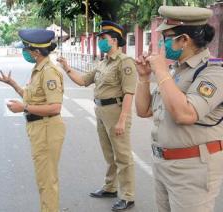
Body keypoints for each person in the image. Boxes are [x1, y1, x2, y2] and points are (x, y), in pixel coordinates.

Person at [135, 6, 223, 212]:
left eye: (166, 37)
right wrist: (144, 77)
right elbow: (144, 110)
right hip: (163, 163)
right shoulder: (175, 72)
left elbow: (185, 114)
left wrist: (161, 71)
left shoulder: (213, 72)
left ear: (185, 40)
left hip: (192, 169)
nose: (162, 44)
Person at [57, 21, 137, 211]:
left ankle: (128, 195)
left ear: (115, 40)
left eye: (103, 38)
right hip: (101, 112)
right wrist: (67, 67)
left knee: (123, 155)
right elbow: (83, 81)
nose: (100, 41)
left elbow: (129, 93)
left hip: (116, 112)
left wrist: (122, 119)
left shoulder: (125, 62)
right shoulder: (102, 63)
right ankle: (110, 187)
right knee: (109, 154)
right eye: (100, 38)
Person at [0, 29, 65, 212]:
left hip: (47, 129)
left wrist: (24, 108)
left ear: (36, 51)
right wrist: (13, 84)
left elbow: (55, 107)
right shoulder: (39, 70)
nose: (23, 52)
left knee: (47, 181)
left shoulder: (49, 72)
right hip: (39, 128)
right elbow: (32, 97)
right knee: (43, 180)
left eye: (26, 49)